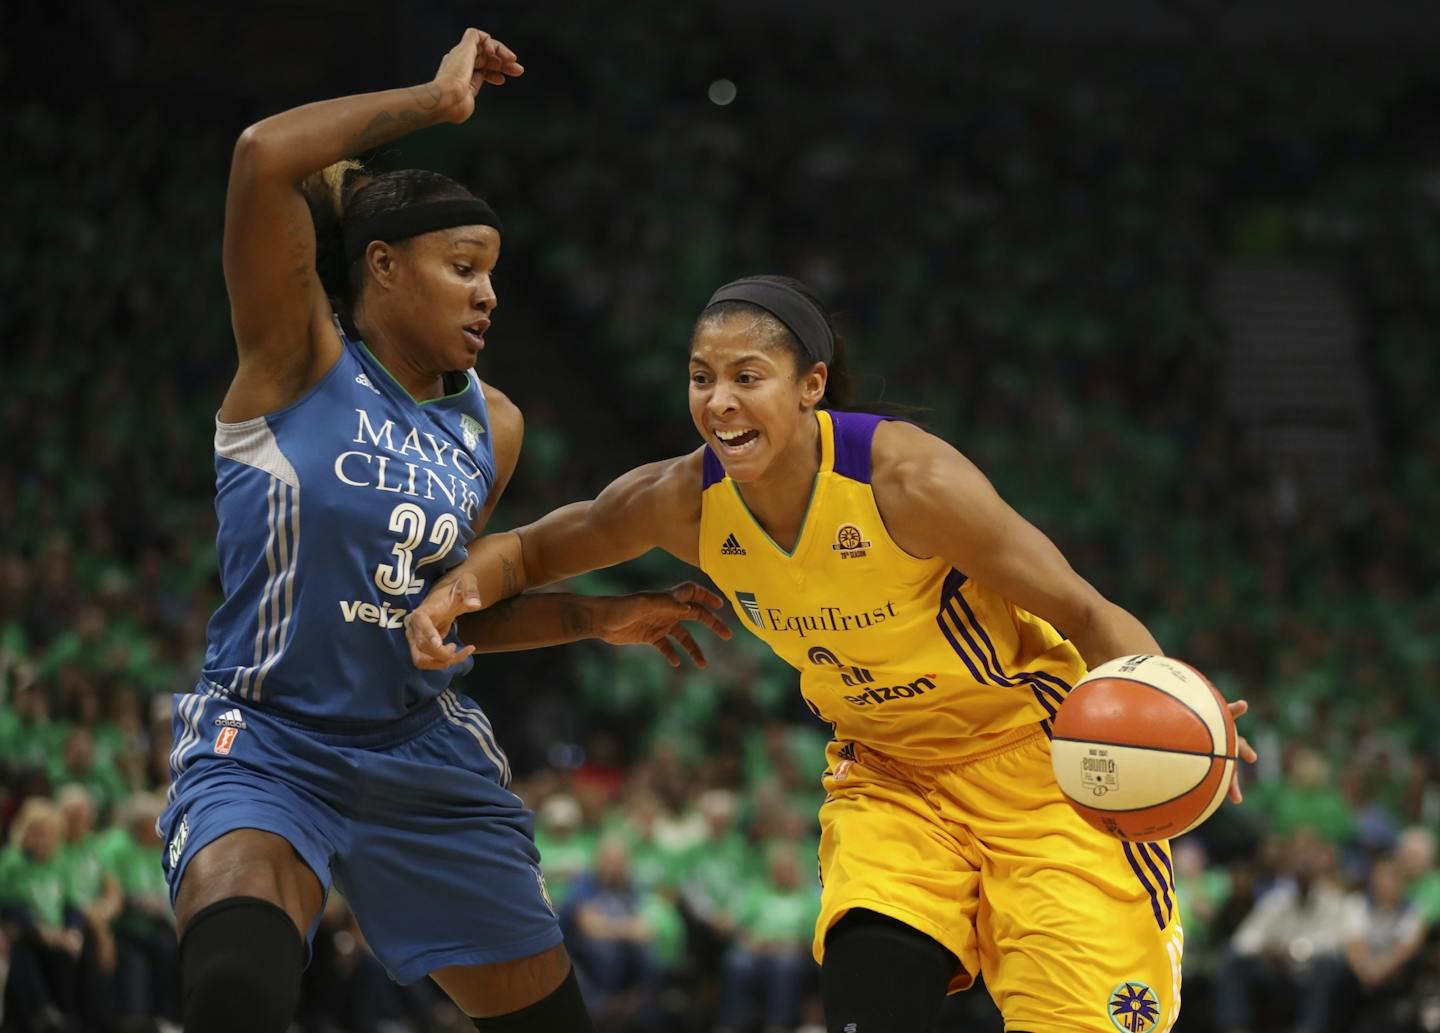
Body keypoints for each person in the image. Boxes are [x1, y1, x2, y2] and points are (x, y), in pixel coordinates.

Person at [407, 274, 1258, 1033]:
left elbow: (1082, 607)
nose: (718, 401)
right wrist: (454, 592)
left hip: (1042, 771)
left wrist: (1183, 710)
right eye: (701, 378)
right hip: (890, 779)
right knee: (870, 999)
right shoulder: (683, 500)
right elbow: (523, 553)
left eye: (747, 377)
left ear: (811, 385)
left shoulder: (909, 482)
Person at [159, 27, 729, 1033]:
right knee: (236, 983)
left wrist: (603, 618)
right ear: (380, 266)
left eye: (495, 273)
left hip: (421, 752)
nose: (489, 293)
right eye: (464, 266)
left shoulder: (492, 424)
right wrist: (435, 100)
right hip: (272, 739)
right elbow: (262, 156)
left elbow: (453, 613)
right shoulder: (298, 361)